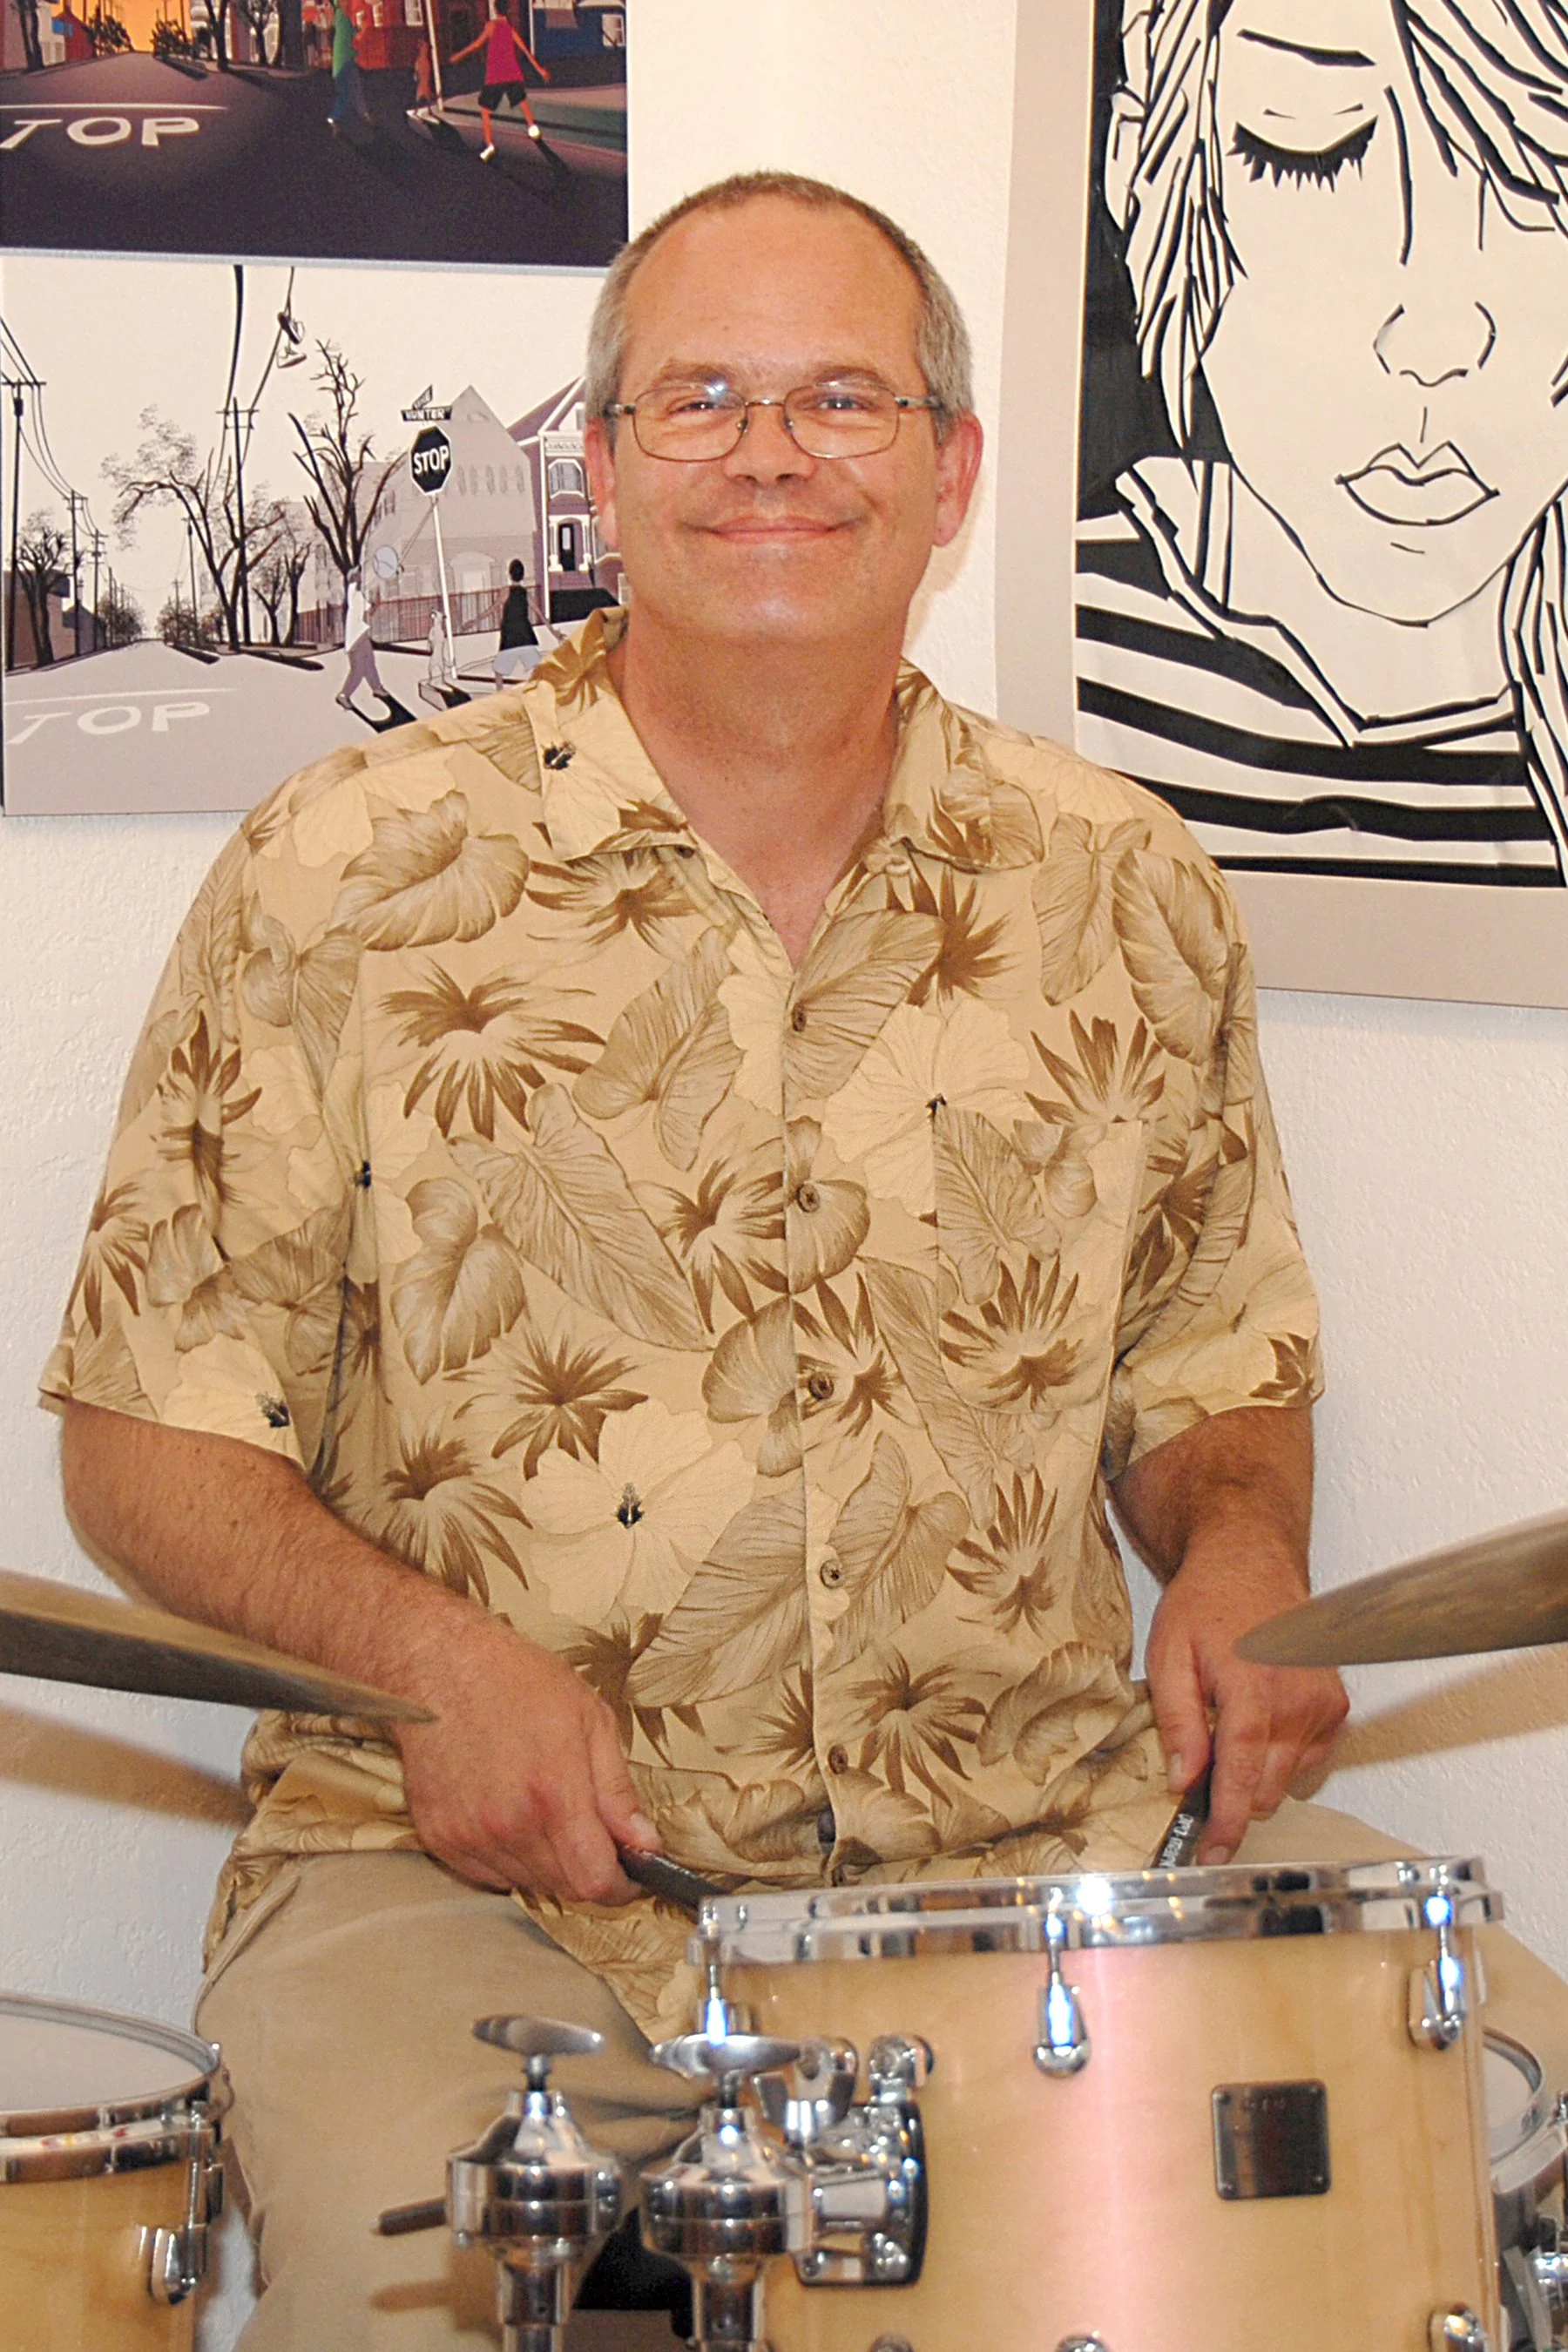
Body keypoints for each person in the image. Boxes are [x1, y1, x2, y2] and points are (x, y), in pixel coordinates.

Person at [43, 171, 1565, 2349]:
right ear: (601, 464)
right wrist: (431, 1663)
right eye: (702, 400)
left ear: (951, 470)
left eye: (846, 399)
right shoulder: (340, 873)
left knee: (1502, 2132)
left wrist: (1244, 1549)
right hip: (473, 1884)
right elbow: (146, 1439)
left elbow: (1216, 1362)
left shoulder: (1124, 884)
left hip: (1040, 1851)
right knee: (448, 2303)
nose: (772, 454)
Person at [1077, 0, 1568, 887]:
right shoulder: (1056, 642)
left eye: (1540, 185)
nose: (1432, 343)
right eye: (1307, 149)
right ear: (1137, 165)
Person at [449, 0, 550, 163]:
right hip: (512, 72)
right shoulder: (510, 29)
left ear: (495, 10)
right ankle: (532, 127)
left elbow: (477, 45)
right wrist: (540, 69)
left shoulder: (491, 26)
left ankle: (489, 144)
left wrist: (459, 55)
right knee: (521, 100)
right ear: (507, 10)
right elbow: (524, 49)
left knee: (485, 109)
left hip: (496, 74)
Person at [336, 564, 390, 716]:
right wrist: (359, 578)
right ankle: (343, 695)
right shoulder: (352, 591)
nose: (359, 576)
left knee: (370, 662)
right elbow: (353, 581)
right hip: (354, 637)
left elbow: (371, 610)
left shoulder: (359, 596)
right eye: (356, 574)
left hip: (361, 633)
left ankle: (376, 688)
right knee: (358, 669)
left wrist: (377, 599)